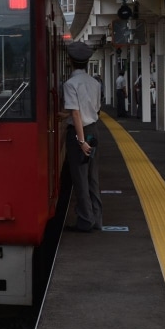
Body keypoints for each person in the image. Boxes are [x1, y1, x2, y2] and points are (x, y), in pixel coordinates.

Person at [63, 42, 102, 232]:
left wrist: (80, 141)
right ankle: (97, 218)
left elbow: (76, 114)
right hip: (93, 129)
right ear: (87, 62)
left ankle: (86, 220)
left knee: (80, 177)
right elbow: (94, 109)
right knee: (92, 176)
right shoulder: (94, 82)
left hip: (79, 133)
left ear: (70, 61)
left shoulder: (70, 84)